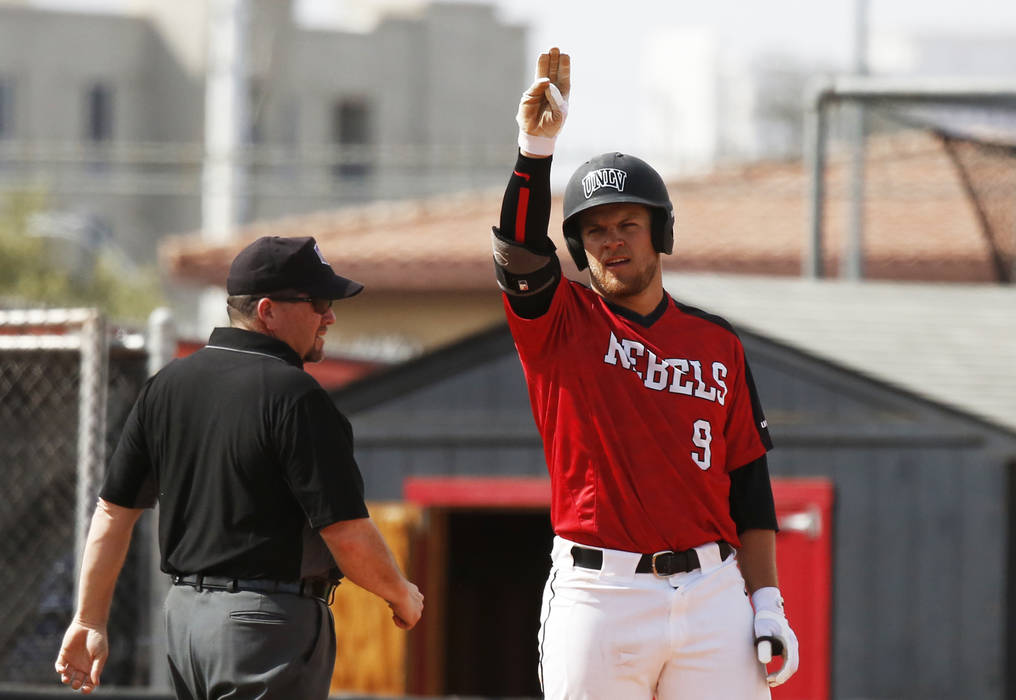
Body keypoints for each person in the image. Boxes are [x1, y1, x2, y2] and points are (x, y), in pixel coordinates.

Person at [490, 48, 799, 699]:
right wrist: (535, 147)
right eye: (593, 230)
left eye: (628, 223)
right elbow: (519, 249)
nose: (611, 240)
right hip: (602, 595)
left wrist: (766, 601)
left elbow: (749, 481)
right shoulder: (561, 323)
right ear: (578, 248)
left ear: (661, 233)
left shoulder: (717, 342)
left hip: (713, 593)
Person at [54, 236, 423, 697]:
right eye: (319, 302)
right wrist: (400, 592)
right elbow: (346, 532)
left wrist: (89, 618)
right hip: (263, 626)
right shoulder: (296, 396)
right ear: (267, 310)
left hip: (187, 622)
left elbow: (112, 512)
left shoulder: (166, 385)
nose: (329, 316)